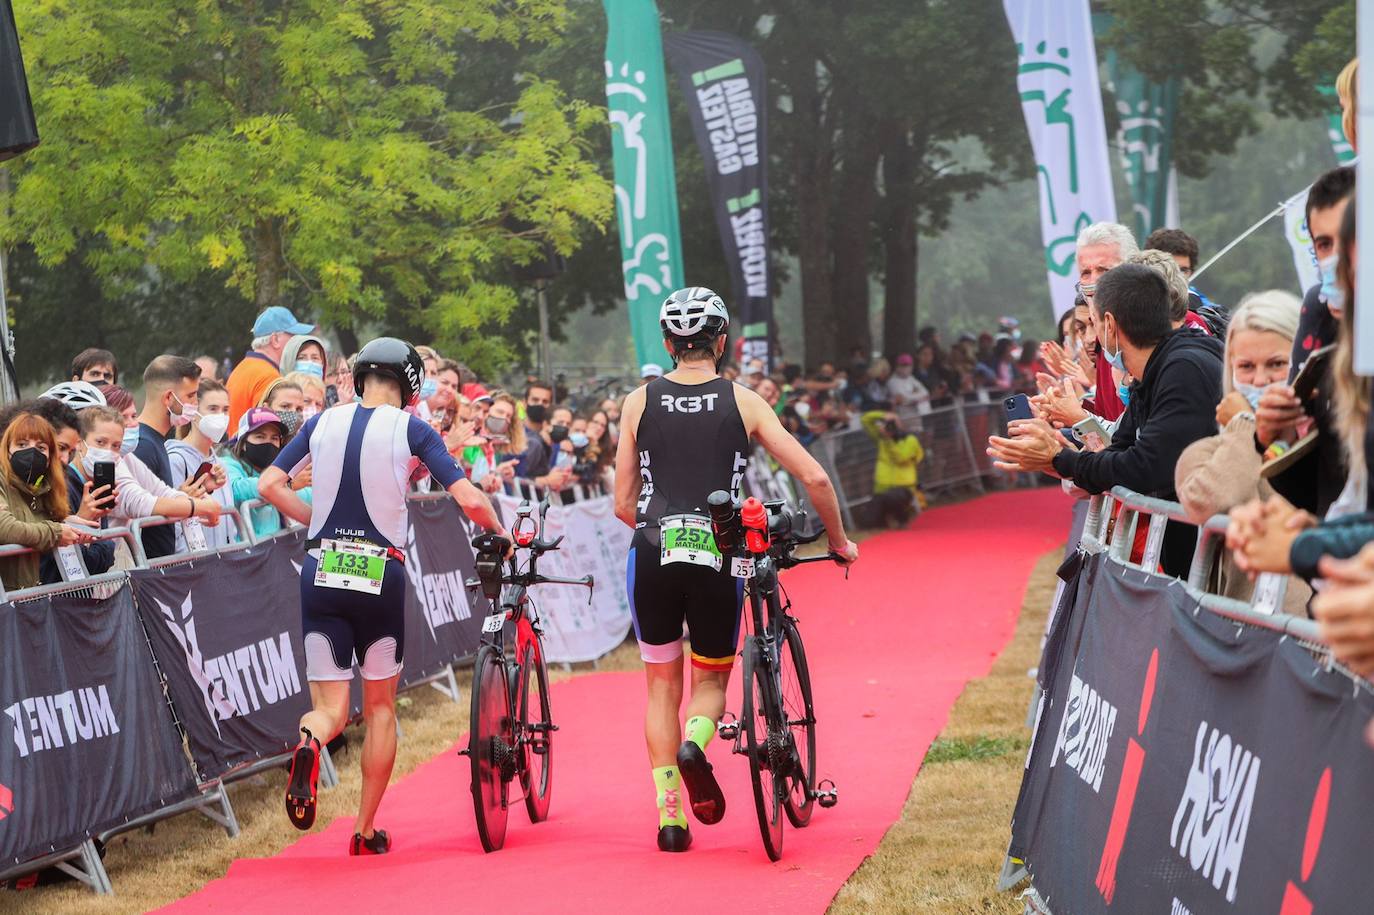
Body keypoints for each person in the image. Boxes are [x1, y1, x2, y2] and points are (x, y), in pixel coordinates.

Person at [613, 286, 858, 854]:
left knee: (659, 688)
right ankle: (697, 742)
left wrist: (661, 536)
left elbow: (622, 503)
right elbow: (815, 479)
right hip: (721, 548)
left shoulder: (637, 402)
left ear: (670, 343)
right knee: (710, 681)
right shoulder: (744, 401)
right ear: (721, 341)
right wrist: (841, 542)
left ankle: (670, 815)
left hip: (651, 547)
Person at [258, 337, 508, 856]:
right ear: (410, 385)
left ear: (359, 376)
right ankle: (365, 829)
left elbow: (268, 484)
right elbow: (465, 495)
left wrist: (314, 522)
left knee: (328, 707)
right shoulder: (413, 428)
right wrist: (499, 531)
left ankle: (308, 745)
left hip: (321, 568)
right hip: (379, 572)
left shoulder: (321, 422)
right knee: (379, 710)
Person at [989, 264, 1223, 576]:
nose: (1090, 340)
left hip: (1217, 561)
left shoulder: (1183, 369)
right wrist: (1054, 458)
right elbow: (1119, 450)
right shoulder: (1153, 372)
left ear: (1109, 325)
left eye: (1093, 324)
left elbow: (1143, 467)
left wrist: (1061, 459)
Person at [1173, 290, 1306, 607]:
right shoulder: (1206, 452)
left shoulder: (1338, 442)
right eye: (1246, 366)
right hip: (1243, 638)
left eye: (1276, 364)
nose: (1260, 380)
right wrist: (1246, 425)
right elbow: (1213, 502)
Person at [0, 412, 94, 590]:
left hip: (33, 597)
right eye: (22, 444)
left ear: (50, 456)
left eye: (41, 447)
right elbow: (5, 528)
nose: (31, 452)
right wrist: (57, 532)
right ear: (7, 449)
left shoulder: (44, 486)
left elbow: (29, 522)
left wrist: (65, 521)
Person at [131, 355, 205, 559]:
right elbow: (136, 510)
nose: (195, 403)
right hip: (150, 572)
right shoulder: (143, 446)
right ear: (168, 398)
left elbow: (154, 500)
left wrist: (180, 495)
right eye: (191, 396)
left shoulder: (155, 441)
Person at [1074, 222, 1139, 421]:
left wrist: (1076, 418)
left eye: (1104, 270)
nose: (1094, 282)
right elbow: (1107, 439)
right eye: (1086, 273)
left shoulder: (1164, 328)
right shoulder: (1105, 350)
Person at [166, 379, 238, 550]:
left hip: (224, 565)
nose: (220, 416)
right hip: (194, 567)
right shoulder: (175, 460)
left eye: (225, 410)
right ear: (193, 411)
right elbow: (171, 525)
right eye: (213, 409)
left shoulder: (220, 464)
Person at [226, 306, 315, 430]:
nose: (297, 344)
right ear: (275, 339)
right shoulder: (269, 377)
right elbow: (268, 429)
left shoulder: (242, 368)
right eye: (293, 337)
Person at [223, 407, 302, 540]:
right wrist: (286, 484)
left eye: (274, 438)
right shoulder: (227, 462)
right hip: (243, 553)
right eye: (260, 436)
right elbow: (235, 489)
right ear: (243, 442)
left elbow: (307, 496)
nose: (268, 443)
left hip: (274, 550)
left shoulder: (276, 468)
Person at [861, 410, 925, 527]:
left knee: (893, 497)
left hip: (904, 488)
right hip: (881, 488)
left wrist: (889, 440)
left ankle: (903, 517)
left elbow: (901, 458)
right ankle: (885, 521)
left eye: (894, 424)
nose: (891, 428)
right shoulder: (881, 439)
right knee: (868, 521)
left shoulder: (910, 440)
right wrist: (883, 416)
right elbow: (865, 419)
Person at [513, 380, 570, 491]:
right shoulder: (515, 435)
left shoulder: (554, 442)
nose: (540, 404)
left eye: (545, 401)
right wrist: (545, 480)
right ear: (524, 403)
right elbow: (515, 477)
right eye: (535, 400)